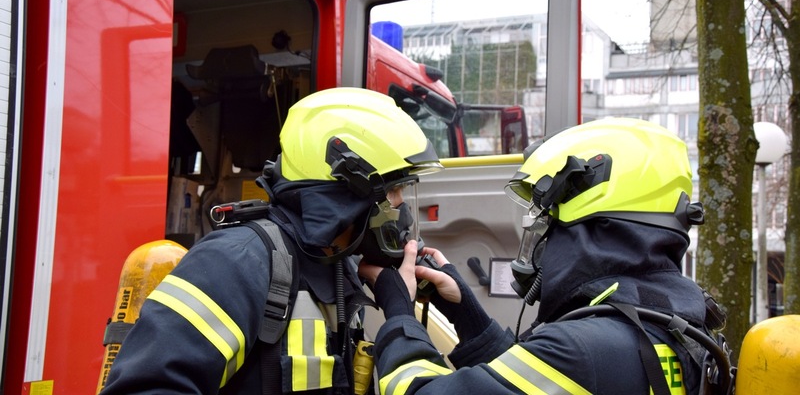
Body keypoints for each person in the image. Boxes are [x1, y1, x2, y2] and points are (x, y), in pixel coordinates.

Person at [101, 87, 443, 394]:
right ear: (347, 193)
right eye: (394, 189)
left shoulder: (335, 264)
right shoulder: (234, 262)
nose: (400, 205)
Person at [361, 118, 729, 394]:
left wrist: (398, 312)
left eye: (547, 228)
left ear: (586, 232)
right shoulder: (677, 325)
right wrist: (467, 314)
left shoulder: (581, 348)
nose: (539, 245)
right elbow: (530, 382)